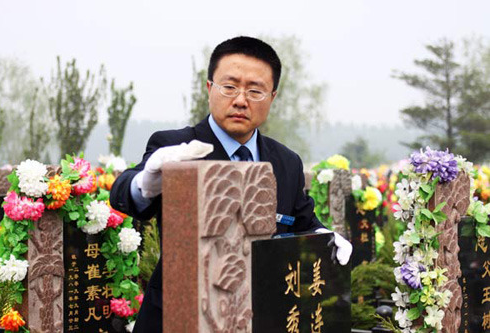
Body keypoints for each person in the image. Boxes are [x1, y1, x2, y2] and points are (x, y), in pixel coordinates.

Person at [110, 36, 351, 333]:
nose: (240, 100)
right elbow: (123, 191)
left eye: (255, 90)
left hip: (260, 317)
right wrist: (145, 183)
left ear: (272, 97)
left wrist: (323, 236)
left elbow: (302, 223)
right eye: (230, 86)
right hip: (181, 317)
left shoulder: (286, 162)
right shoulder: (175, 147)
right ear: (210, 88)